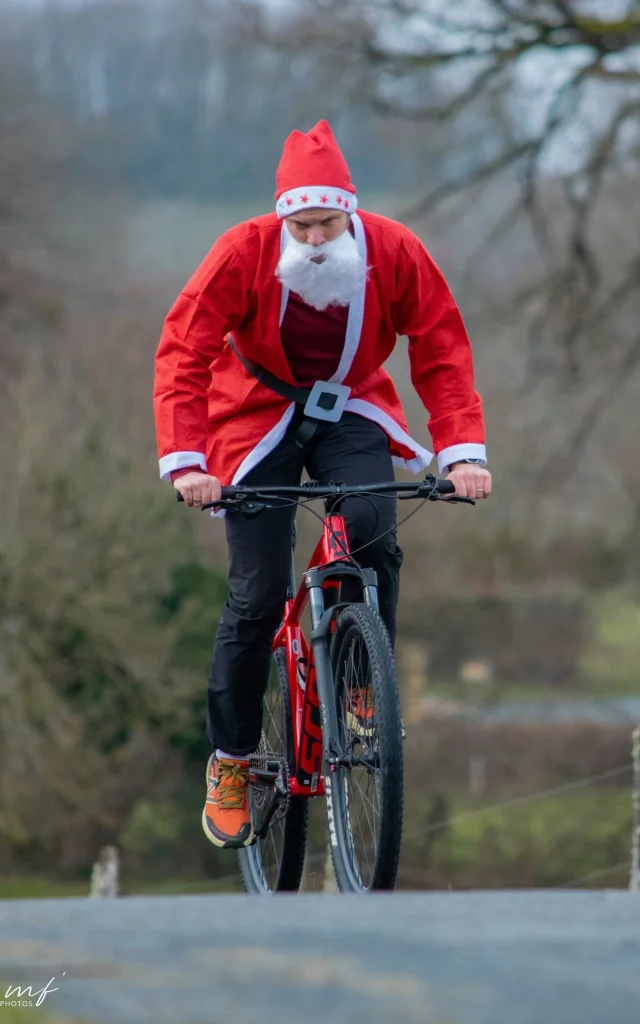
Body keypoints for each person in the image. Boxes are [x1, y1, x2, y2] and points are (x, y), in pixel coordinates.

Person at [153, 120, 491, 849]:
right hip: (253, 416)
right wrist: (188, 463)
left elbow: (440, 342)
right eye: (299, 225)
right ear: (281, 218)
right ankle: (233, 760)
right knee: (258, 591)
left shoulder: (395, 251)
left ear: (350, 213)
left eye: (326, 224)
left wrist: (460, 452)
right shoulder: (241, 253)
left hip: (352, 406)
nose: (311, 240)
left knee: (371, 528)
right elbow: (184, 350)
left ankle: (363, 680)